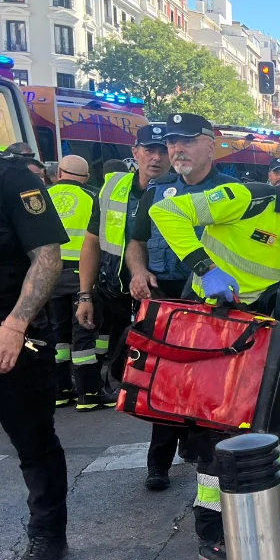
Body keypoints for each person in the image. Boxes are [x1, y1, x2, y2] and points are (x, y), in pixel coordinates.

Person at [149, 151, 280, 560]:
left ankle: (269, 508)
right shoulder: (248, 199)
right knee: (222, 434)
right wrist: (205, 268)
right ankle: (214, 535)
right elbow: (166, 210)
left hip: (259, 332)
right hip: (214, 328)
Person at [127, 113, 240, 477]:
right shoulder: (157, 192)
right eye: (173, 142)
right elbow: (136, 241)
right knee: (166, 381)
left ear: (211, 145)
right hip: (167, 297)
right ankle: (158, 464)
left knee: (209, 387)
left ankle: (207, 463)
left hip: (212, 303)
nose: (176, 148)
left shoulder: (235, 192)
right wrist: (139, 271)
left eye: (187, 140)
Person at [0, 152, 71, 560]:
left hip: (11, 335)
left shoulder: (13, 179)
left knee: (34, 443)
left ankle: (47, 534)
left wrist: (15, 323)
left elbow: (47, 256)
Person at [76, 125, 170, 438]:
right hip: (113, 287)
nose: (155, 158)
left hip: (161, 290)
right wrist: (84, 295)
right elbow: (91, 242)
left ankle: (165, 433)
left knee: (165, 367)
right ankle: (115, 385)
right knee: (113, 347)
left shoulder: (178, 191)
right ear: (135, 153)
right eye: (149, 150)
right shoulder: (113, 187)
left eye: (162, 150)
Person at [45, 155, 112, 411]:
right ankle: (89, 393)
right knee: (83, 334)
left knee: (57, 335)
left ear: (58, 172)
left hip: (47, 276)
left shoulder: (42, 196)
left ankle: (61, 390)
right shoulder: (93, 197)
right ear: (85, 177)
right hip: (80, 275)